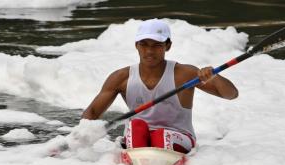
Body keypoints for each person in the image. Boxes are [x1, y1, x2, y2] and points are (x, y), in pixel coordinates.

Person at [82, 19, 238, 153]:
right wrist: (78, 140)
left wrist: (215, 77)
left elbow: (231, 95)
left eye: (157, 45)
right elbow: (93, 112)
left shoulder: (185, 73)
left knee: (161, 136)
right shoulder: (121, 78)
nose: (149, 51)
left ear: (168, 46)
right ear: (136, 45)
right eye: (144, 44)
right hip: (138, 138)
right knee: (135, 126)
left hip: (178, 136)